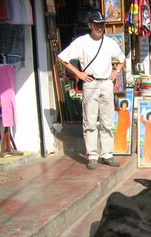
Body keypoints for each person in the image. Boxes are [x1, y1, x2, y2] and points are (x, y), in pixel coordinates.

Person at [58, 12, 125, 170]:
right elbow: (62, 58)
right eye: (96, 24)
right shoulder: (81, 42)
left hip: (107, 84)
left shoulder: (109, 42)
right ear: (89, 25)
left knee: (107, 121)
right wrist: (78, 73)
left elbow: (122, 58)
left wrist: (116, 71)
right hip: (90, 83)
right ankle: (92, 155)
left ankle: (107, 154)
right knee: (90, 121)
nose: (100, 28)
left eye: (102, 25)